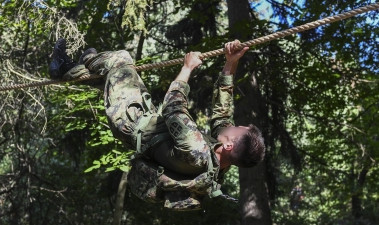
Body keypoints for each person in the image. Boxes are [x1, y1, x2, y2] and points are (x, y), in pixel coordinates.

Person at [49, 38, 266, 210]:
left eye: (238, 128)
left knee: (120, 60)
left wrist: (187, 68)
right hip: (144, 121)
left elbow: (172, 106)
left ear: (229, 145)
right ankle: (69, 70)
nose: (234, 125)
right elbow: (222, 115)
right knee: (111, 76)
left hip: (130, 120)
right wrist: (231, 64)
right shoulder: (217, 164)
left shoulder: (197, 150)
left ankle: (86, 60)